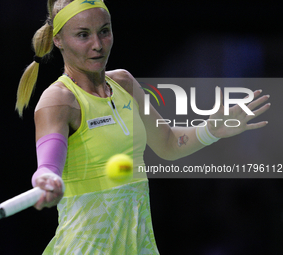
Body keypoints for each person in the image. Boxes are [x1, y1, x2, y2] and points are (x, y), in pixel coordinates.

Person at [15, 0, 270, 254]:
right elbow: (48, 166)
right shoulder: (58, 100)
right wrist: (47, 179)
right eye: (83, 35)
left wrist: (211, 129)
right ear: (58, 40)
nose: (98, 44)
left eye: (104, 31)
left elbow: (168, 144)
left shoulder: (125, 83)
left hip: (138, 246)